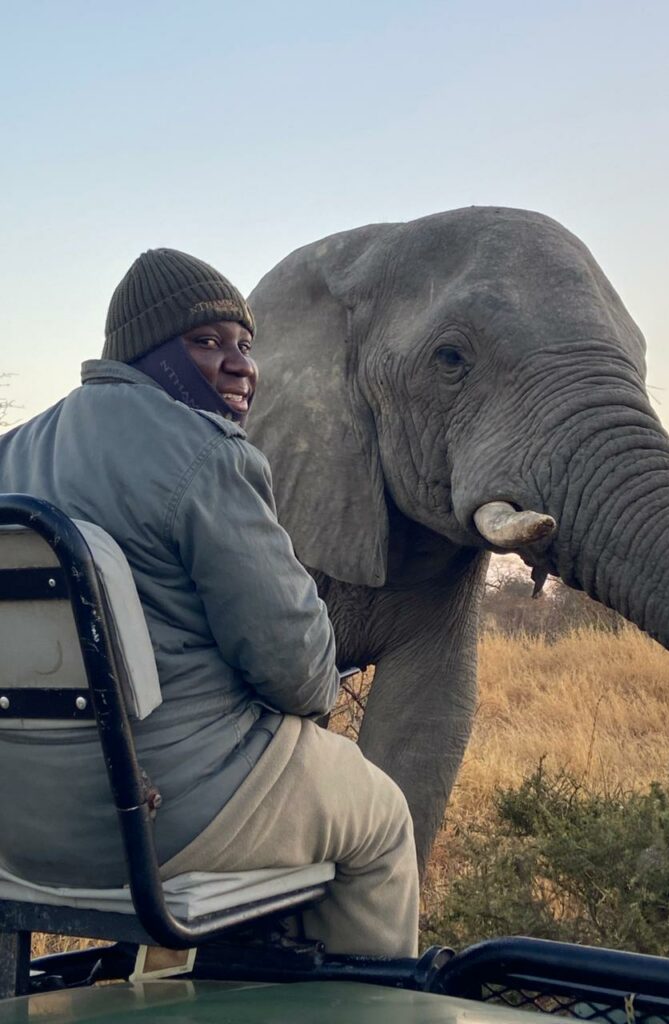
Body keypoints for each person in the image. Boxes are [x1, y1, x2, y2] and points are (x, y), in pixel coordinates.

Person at [0, 248, 419, 957]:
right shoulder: (206, 453)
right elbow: (302, 675)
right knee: (380, 818)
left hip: (17, 831)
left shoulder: (12, 452)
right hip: (159, 823)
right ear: (147, 352)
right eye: (205, 342)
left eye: (245, 345)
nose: (240, 365)